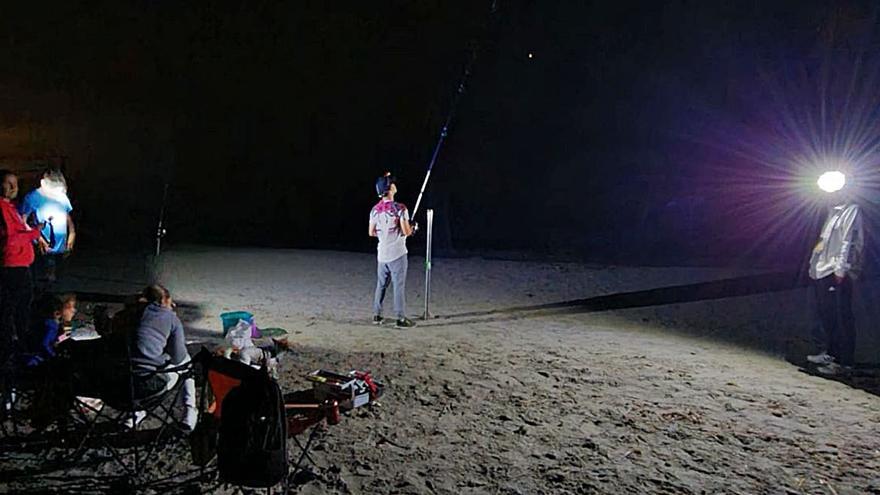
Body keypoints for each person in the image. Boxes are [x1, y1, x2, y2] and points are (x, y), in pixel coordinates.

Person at [807, 199, 864, 375]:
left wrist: (842, 270)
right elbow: (823, 241)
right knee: (827, 313)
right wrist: (813, 265)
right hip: (823, 269)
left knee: (842, 315)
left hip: (838, 271)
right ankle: (831, 353)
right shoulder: (832, 212)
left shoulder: (852, 210)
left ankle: (845, 362)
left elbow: (849, 240)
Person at [128, 284, 197, 430]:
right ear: (165, 300)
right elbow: (178, 357)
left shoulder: (127, 315)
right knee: (186, 361)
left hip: (120, 387)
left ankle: (134, 415)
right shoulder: (170, 318)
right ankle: (189, 411)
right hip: (150, 385)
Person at [0, 170, 49, 366]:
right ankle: (16, 351)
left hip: (19, 265)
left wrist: (35, 234)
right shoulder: (2, 209)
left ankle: (17, 348)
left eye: (15, 184)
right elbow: (11, 239)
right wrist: (34, 233)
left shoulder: (9, 207)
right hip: (13, 267)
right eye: (8, 183)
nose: (13, 188)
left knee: (19, 308)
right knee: (16, 311)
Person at [369, 172, 416, 328]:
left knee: (381, 285)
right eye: (393, 184)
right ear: (390, 188)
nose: (395, 185)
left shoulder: (374, 210)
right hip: (397, 254)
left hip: (382, 255)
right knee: (398, 286)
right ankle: (400, 318)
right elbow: (406, 232)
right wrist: (413, 228)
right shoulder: (400, 208)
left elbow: (371, 232)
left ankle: (377, 315)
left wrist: (385, 234)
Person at [19, 169, 75, 291]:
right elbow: (22, 221)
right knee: (43, 278)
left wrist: (72, 232)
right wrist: (37, 237)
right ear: (44, 183)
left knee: (59, 278)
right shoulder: (32, 197)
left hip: (61, 245)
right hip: (42, 246)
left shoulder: (61, 196)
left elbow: (67, 216)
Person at [24, 293, 77, 367]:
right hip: (37, 358)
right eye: (69, 307)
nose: (74, 310)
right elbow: (45, 343)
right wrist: (53, 355)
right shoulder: (52, 326)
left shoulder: (47, 323)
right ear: (57, 313)